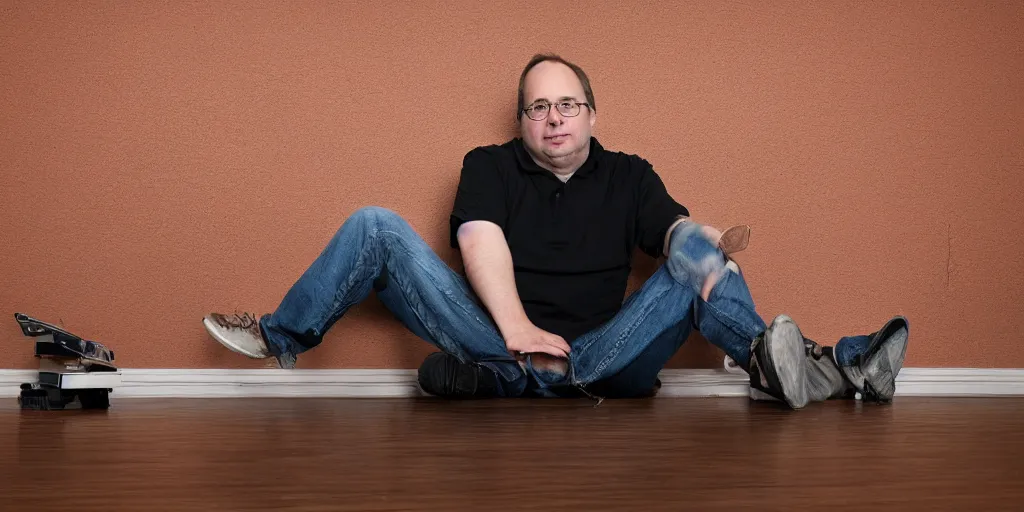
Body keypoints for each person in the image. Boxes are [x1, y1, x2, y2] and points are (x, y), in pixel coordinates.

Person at [202, 54, 909, 408]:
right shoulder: (488, 165)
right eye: (539, 107)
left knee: (695, 252)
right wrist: (516, 328)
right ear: (522, 121)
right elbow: (478, 238)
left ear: (593, 115)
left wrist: (698, 242)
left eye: (568, 103)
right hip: (495, 330)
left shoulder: (630, 174)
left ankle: (510, 384)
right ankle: (283, 335)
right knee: (376, 225)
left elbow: (674, 234)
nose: (555, 118)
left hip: (608, 351)